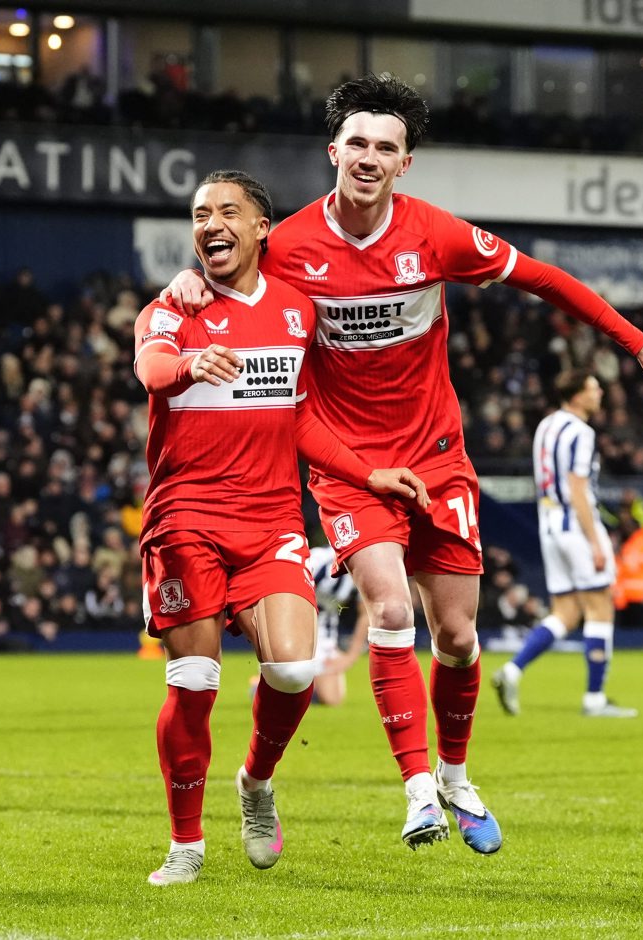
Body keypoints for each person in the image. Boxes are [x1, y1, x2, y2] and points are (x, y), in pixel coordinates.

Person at [161, 75, 643, 855]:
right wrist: (188, 283)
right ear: (333, 152)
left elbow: (543, 278)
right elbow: (223, 269)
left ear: (403, 163)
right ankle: (417, 792)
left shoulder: (435, 235)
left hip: (438, 462)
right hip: (350, 469)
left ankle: (453, 775)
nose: (368, 157)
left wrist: (638, 343)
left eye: (385, 147)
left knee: (456, 636)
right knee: (388, 610)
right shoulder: (288, 248)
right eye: (357, 143)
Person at [136, 169, 429, 886]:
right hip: (186, 517)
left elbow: (300, 417)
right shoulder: (173, 305)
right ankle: (186, 843)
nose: (210, 224)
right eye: (199, 214)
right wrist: (188, 364)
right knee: (195, 681)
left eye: (226, 211)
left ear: (261, 226)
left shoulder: (296, 311)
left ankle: (256, 781)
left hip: (269, 519)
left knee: (294, 670)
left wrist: (367, 473)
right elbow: (151, 367)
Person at [492, 369, 639, 718]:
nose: (600, 393)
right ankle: (594, 699)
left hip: (549, 525)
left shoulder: (546, 426)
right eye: (593, 388)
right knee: (600, 607)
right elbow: (577, 489)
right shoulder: (582, 432)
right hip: (576, 526)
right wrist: (596, 542)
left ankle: (511, 671)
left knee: (566, 613)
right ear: (576, 395)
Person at [309, 543, 368, 705]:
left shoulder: (363, 568)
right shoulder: (317, 558)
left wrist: (351, 657)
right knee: (288, 677)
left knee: (333, 698)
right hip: (298, 623)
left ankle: (304, 687)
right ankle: (263, 685)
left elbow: (366, 613)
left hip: (325, 629)